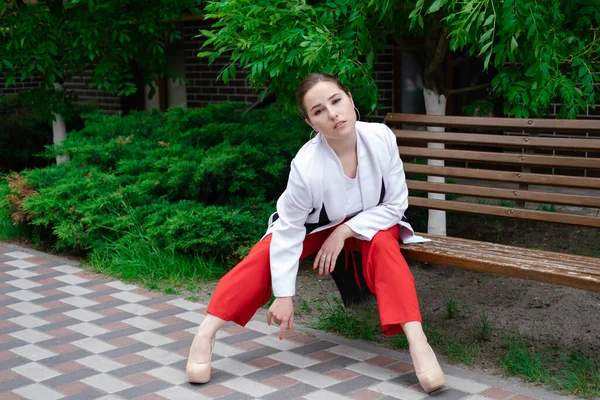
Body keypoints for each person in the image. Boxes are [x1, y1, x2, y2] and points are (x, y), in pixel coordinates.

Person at [186, 72, 446, 393]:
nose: (333, 113)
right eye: (319, 110)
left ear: (350, 98)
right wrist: (284, 294)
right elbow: (289, 228)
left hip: (372, 220)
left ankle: (418, 342)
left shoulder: (380, 137)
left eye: (336, 101)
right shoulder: (306, 165)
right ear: (310, 122)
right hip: (318, 225)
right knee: (265, 254)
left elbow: (395, 204)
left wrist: (346, 231)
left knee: (383, 246)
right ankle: (206, 333)